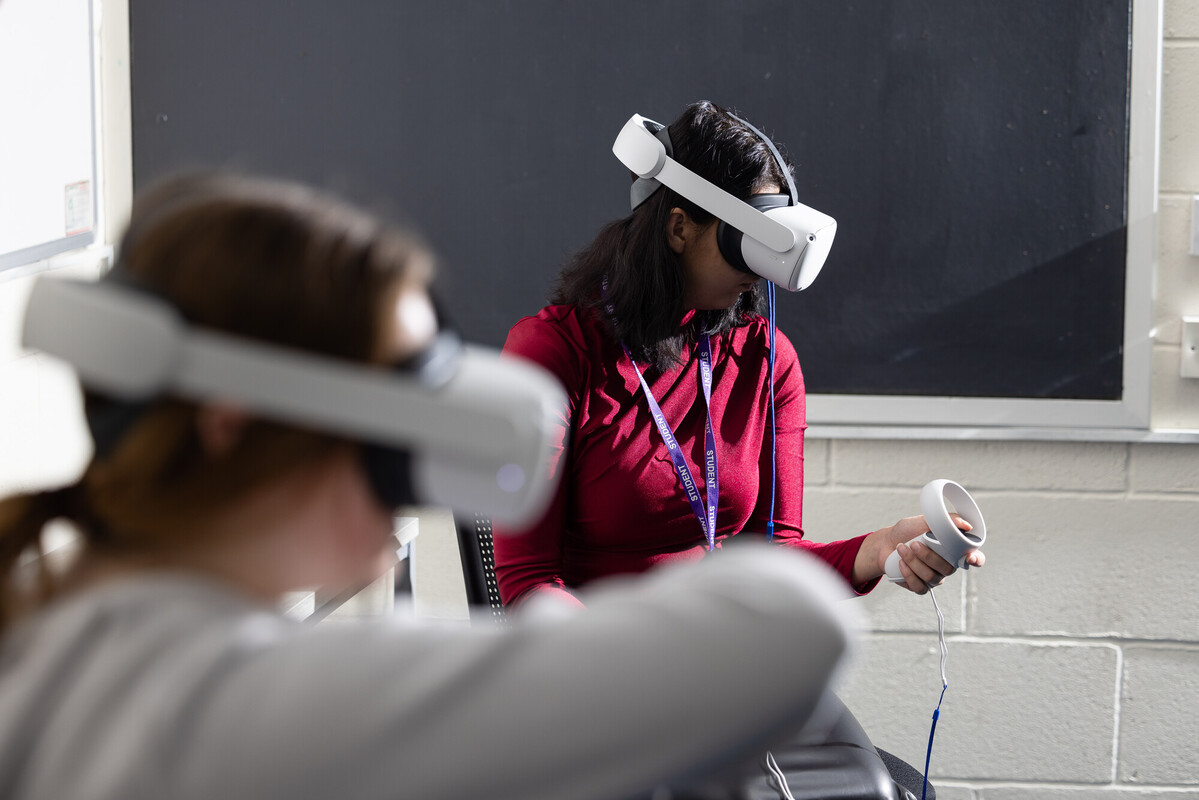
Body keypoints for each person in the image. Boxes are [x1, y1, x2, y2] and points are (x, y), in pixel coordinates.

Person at [0, 172, 858, 800]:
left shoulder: (60, 636)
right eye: (397, 393)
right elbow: (792, 625)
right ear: (231, 426)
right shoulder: (254, 703)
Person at [493, 101, 984, 611]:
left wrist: (879, 548)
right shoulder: (552, 355)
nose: (762, 268)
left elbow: (773, 558)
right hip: (594, 663)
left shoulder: (766, 358)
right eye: (743, 240)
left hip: (720, 652)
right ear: (679, 228)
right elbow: (528, 584)